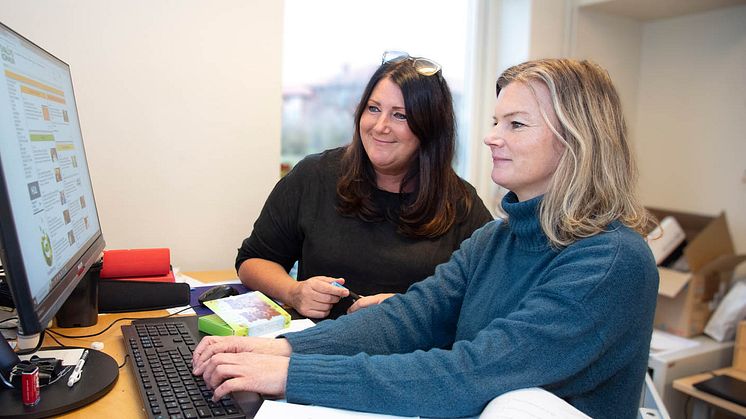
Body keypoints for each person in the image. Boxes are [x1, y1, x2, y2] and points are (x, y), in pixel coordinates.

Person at [193, 58, 659, 418]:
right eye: (495, 122)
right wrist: (279, 349)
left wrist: (289, 372)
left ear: (578, 140)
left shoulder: (610, 260)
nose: (492, 138)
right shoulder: (495, 241)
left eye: (515, 124)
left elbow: (473, 371)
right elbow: (407, 319)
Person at [236, 51, 492, 319]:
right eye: (374, 109)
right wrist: (294, 292)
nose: (380, 126)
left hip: (407, 358)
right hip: (317, 349)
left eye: (400, 116)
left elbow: (488, 300)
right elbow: (252, 260)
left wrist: (412, 309)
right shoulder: (314, 176)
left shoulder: (461, 204)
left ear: (430, 129)